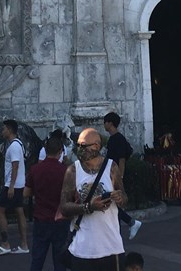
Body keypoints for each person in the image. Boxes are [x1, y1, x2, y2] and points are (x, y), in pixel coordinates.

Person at [58, 127, 127, 270]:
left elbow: (124, 198)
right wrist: (89, 207)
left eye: (83, 146)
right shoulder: (73, 171)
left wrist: (120, 198)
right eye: (77, 145)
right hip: (83, 249)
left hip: (111, 247)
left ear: (96, 146)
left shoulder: (111, 167)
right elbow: (64, 208)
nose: (79, 149)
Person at [24, 134, 69, 271]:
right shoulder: (66, 171)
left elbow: (26, 193)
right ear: (60, 151)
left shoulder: (35, 169)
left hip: (41, 218)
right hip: (60, 219)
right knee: (60, 260)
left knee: (37, 259)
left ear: (45, 149)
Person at [0, 118, 30, 255]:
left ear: (9, 130)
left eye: (4, 129)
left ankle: (5, 243)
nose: (2, 131)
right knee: (19, 212)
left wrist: (11, 186)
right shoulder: (18, 144)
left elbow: (15, 166)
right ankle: (24, 244)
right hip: (18, 184)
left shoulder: (14, 146)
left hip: (12, 185)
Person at [104, 112, 141, 239]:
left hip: (116, 176)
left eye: (105, 122)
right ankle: (129, 224)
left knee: (114, 204)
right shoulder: (113, 139)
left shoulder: (118, 139)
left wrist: (120, 178)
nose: (104, 125)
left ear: (110, 123)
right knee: (113, 204)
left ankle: (129, 224)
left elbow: (121, 160)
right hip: (112, 176)